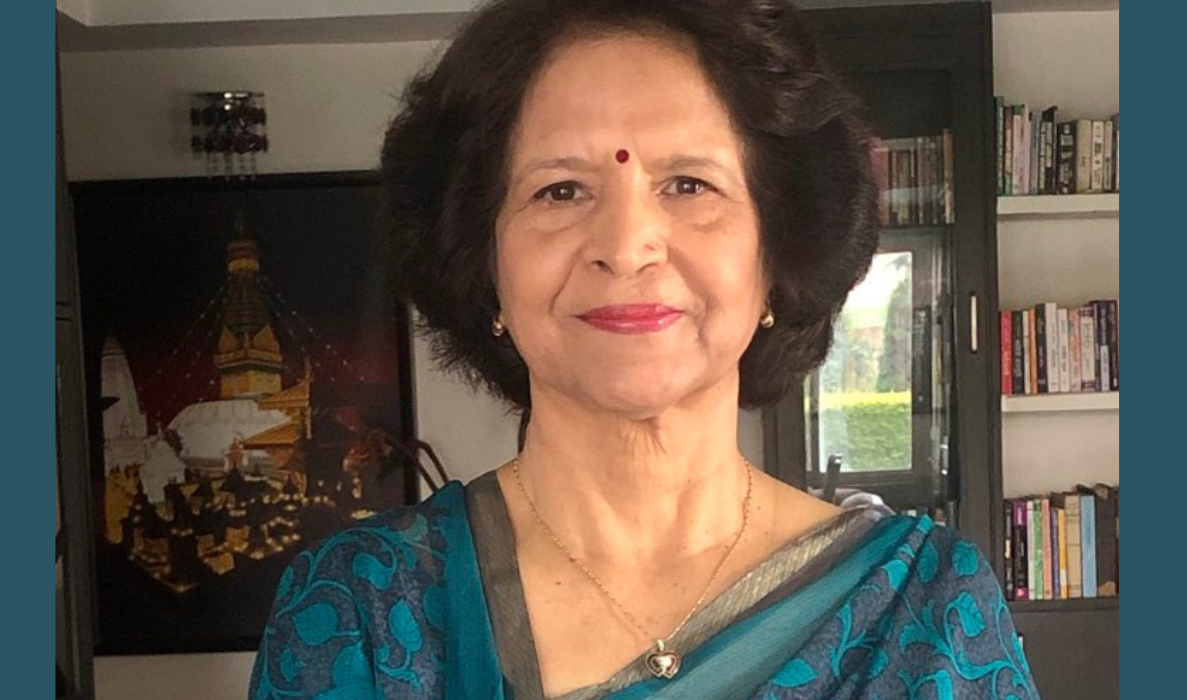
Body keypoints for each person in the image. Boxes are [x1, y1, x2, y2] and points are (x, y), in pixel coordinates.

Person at [249, 1, 1039, 698]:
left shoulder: (924, 612)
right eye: (560, 190)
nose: (626, 246)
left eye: (689, 184)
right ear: (482, 264)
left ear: (779, 253)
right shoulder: (361, 608)